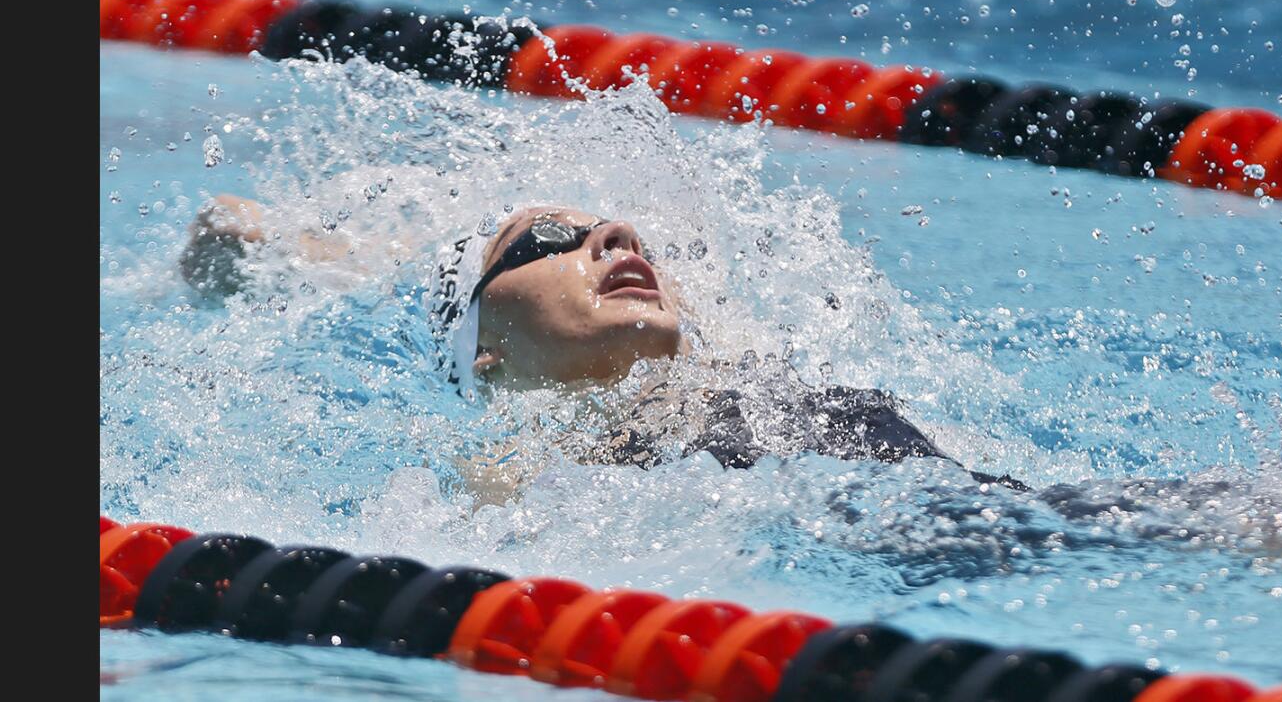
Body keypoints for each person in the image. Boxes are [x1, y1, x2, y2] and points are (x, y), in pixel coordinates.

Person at [180, 197, 1026, 489]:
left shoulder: (752, 379)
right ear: (487, 350)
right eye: (549, 234)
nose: (620, 233)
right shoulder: (521, 486)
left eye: (629, 234)